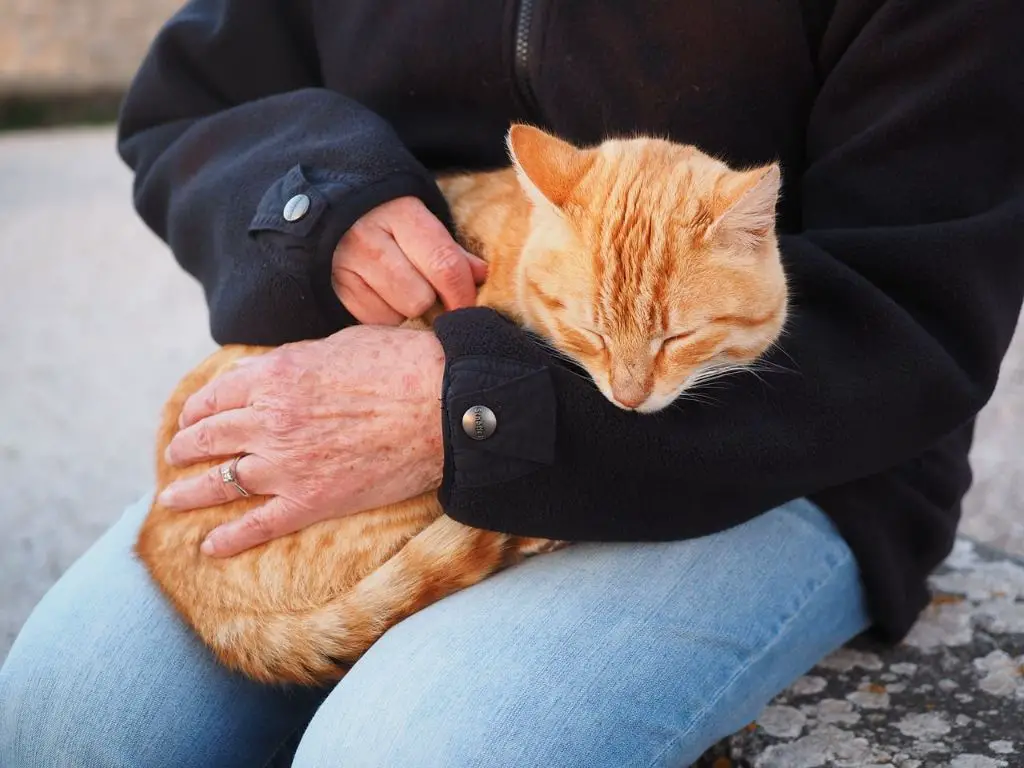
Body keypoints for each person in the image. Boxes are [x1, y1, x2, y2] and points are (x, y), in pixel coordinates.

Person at [2, 1, 1022, 765]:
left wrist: (473, 413)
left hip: (773, 437)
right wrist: (323, 202)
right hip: (402, 349)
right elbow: (191, 102)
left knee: (405, 752)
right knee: (68, 714)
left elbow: (915, 310)